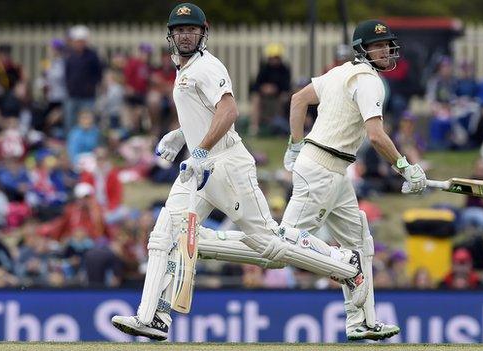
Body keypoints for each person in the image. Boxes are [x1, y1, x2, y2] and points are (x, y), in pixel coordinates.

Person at [111, 3, 366, 341]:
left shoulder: (208, 66)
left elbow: (228, 110)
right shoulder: (182, 68)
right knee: (163, 235)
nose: (185, 34)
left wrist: (199, 149)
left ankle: (345, 265)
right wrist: (179, 136)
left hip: (226, 165)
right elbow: (202, 111)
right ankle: (153, 317)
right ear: (170, 35)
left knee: (268, 244)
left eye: (192, 29)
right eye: (179, 30)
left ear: (204, 32)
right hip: (198, 170)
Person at [248, 19, 427, 340]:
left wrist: (295, 143)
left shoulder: (339, 71)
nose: (386, 50)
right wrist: (406, 166)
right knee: (280, 245)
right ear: (363, 49)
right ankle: (206, 243)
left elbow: (298, 99)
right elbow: (375, 136)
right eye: (378, 45)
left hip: (333, 170)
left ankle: (361, 321)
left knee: (359, 244)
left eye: (387, 44)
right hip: (322, 169)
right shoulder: (369, 81)